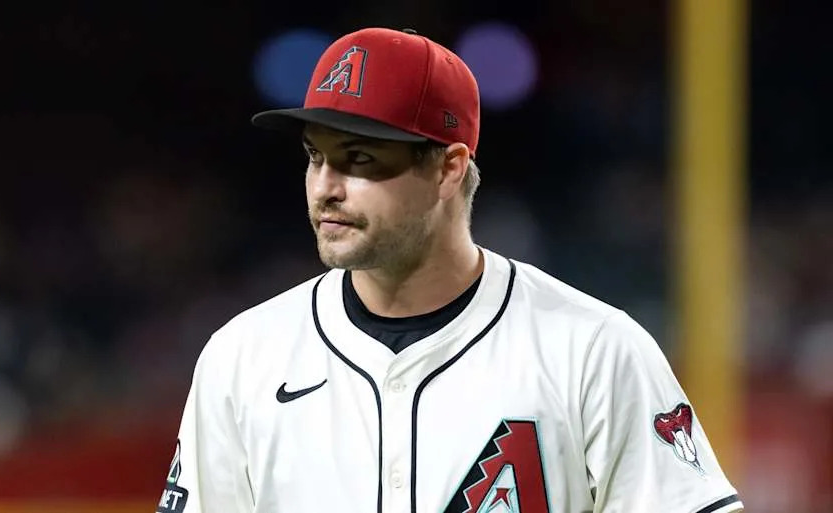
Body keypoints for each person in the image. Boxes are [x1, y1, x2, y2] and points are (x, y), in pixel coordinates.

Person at [157, 27, 744, 513]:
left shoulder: (591, 350)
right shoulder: (243, 357)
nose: (325, 188)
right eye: (316, 156)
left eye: (359, 159)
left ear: (448, 168)